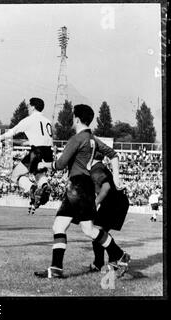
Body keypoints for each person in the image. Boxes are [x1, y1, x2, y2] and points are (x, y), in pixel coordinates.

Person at [35, 104, 130, 279]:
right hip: (86, 186)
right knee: (84, 228)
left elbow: (60, 164)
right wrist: (116, 179)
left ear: (76, 119)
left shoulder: (77, 139)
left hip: (76, 186)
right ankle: (119, 255)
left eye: (73, 117)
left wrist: (45, 165)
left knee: (64, 226)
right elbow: (114, 155)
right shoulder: (93, 139)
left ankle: (57, 268)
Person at [0, 97, 53, 214]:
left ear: (33, 107)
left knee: (15, 176)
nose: (27, 108)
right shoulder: (47, 121)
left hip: (36, 151)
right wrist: (16, 142)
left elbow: (11, 132)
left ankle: (33, 189)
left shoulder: (29, 120)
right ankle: (44, 186)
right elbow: (35, 140)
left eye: (28, 106)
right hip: (48, 152)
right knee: (38, 174)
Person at [89, 152, 130, 272]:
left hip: (113, 202)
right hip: (116, 201)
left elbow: (106, 188)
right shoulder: (100, 167)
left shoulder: (97, 168)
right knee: (99, 232)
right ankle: (108, 261)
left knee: (97, 231)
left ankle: (119, 256)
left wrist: (95, 203)